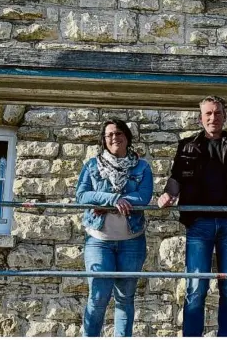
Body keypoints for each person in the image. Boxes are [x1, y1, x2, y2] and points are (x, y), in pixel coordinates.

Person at [157, 95, 227, 337]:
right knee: (196, 287)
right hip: (198, 223)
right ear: (200, 118)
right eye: (208, 114)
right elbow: (176, 179)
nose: (213, 117)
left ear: (225, 116)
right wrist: (167, 194)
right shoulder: (186, 145)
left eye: (217, 113)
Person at [76, 119, 154, 337]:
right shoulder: (92, 166)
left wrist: (109, 205)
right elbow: (82, 196)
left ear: (127, 137)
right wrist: (112, 199)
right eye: (109, 134)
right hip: (99, 241)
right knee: (98, 296)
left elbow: (144, 197)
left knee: (125, 297)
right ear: (104, 140)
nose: (114, 138)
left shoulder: (142, 167)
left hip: (132, 241)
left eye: (119, 133)